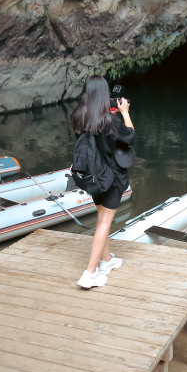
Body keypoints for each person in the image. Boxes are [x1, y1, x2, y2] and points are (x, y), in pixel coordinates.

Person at [71, 76, 135, 289]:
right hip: (112, 178)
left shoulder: (80, 116)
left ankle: (106, 260)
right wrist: (124, 112)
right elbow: (129, 137)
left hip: (93, 176)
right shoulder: (110, 120)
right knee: (105, 222)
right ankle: (90, 273)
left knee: (101, 218)